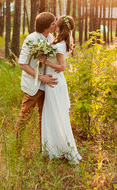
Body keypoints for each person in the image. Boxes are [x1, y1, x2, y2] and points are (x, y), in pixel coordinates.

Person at [39, 15, 82, 164]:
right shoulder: (60, 42)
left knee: (56, 115)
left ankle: (63, 149)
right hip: (54, 82)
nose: (54, 25)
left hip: (54, 82)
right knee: (53, 115)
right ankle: (55, 149)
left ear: (61, 26)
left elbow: (62, 67)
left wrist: (45, 62)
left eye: (56, 24)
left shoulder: (59, 45)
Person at [15, 12, 58, 151]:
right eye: (53, 23)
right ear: (45, 26)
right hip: (34, 85)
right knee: (25, 116)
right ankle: (16, 148)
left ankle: (44, 149)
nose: (55, 25)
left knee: (44, 118)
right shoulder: (31, 39)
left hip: (48, 85)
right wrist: (41, 77)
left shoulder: (51, 37)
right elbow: (22, 64)